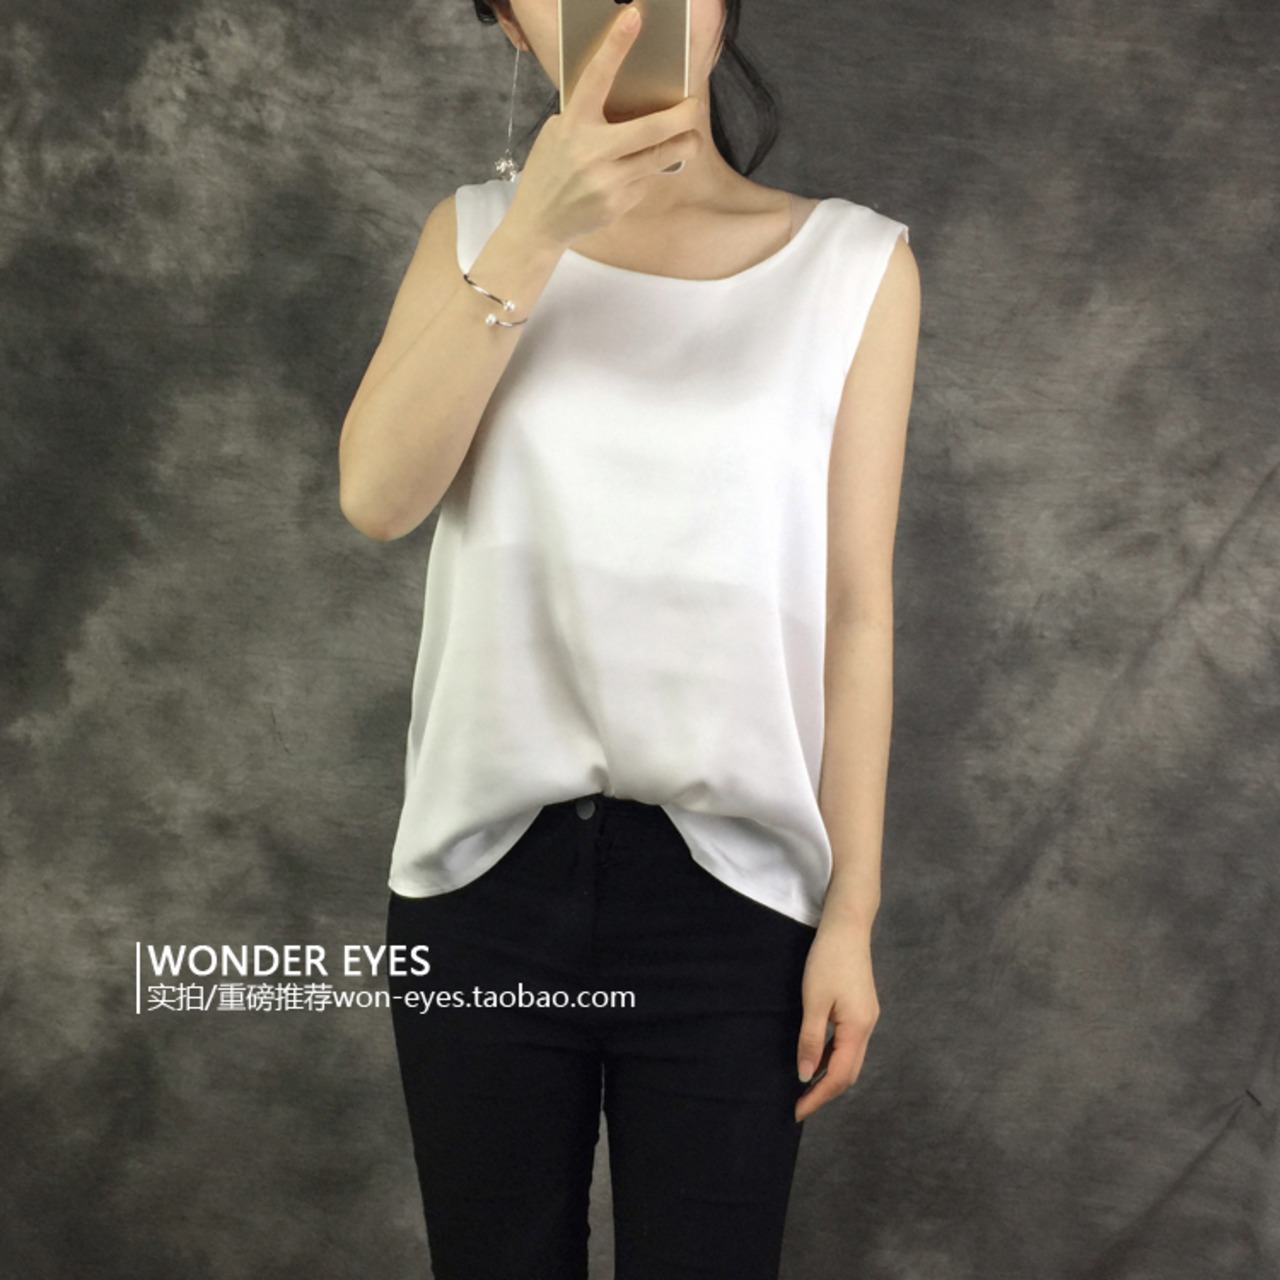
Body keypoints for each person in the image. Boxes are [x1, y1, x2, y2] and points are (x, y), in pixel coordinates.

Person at [338, 1, 921, 1275]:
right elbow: (377, 497)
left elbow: (856, 609)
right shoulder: (473, 236)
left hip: (736, 900)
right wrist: (537, 232)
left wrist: (851, 913)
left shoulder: (851, 266)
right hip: (480, 886)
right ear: (510, 28)